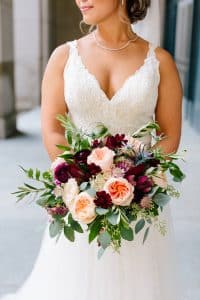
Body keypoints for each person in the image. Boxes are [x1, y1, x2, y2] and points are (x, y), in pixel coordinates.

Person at [1, 0, 183, 299]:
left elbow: (169, 135)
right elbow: (53, 129)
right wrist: (79, 180)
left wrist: (133, 176)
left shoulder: (160, 62)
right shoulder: (64, 57)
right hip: (79, 202)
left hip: (138, 199)